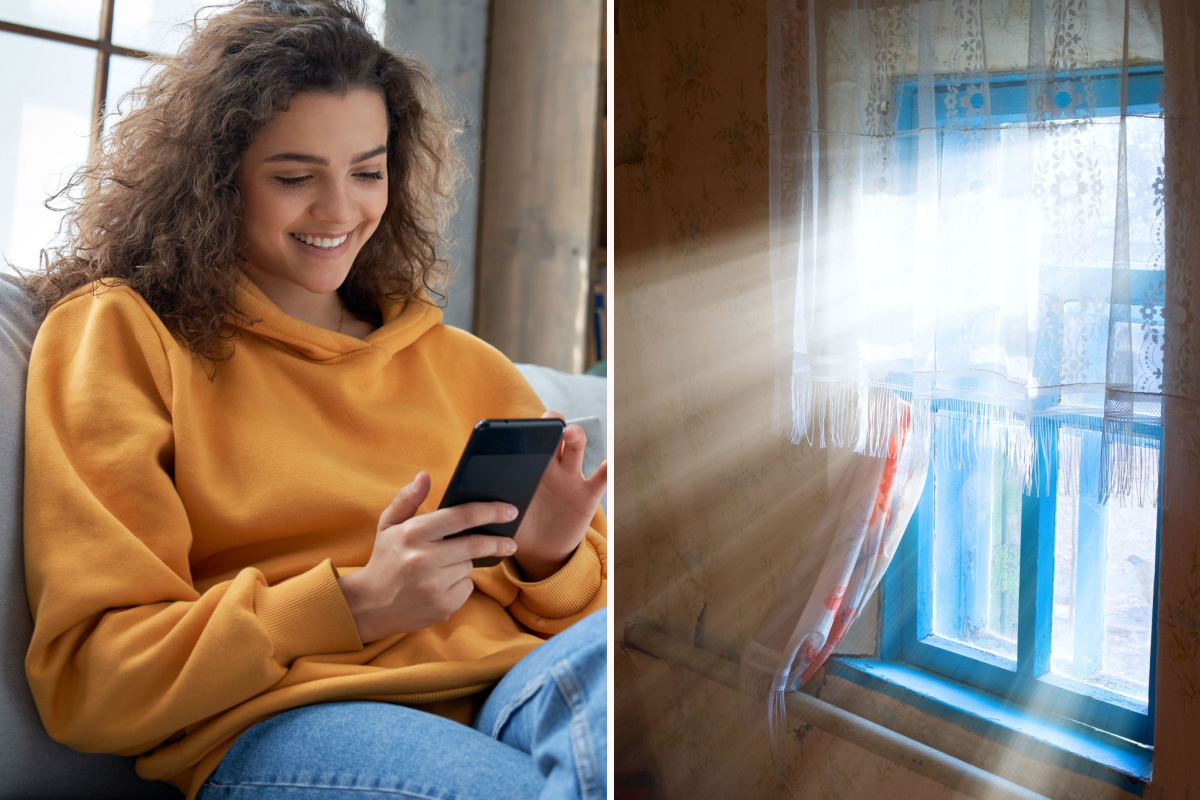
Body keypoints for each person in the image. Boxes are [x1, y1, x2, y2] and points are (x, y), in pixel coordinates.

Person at [19, 2, 607, 799]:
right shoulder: (123, 335)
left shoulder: (465, 366)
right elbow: (93, 679)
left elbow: (579, 627)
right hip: (296, 719)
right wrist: (355, 603)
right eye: (295, 177)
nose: (339, 211)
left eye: (367, 171)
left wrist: (552, 559)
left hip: (509, 689)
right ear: (216, 178)